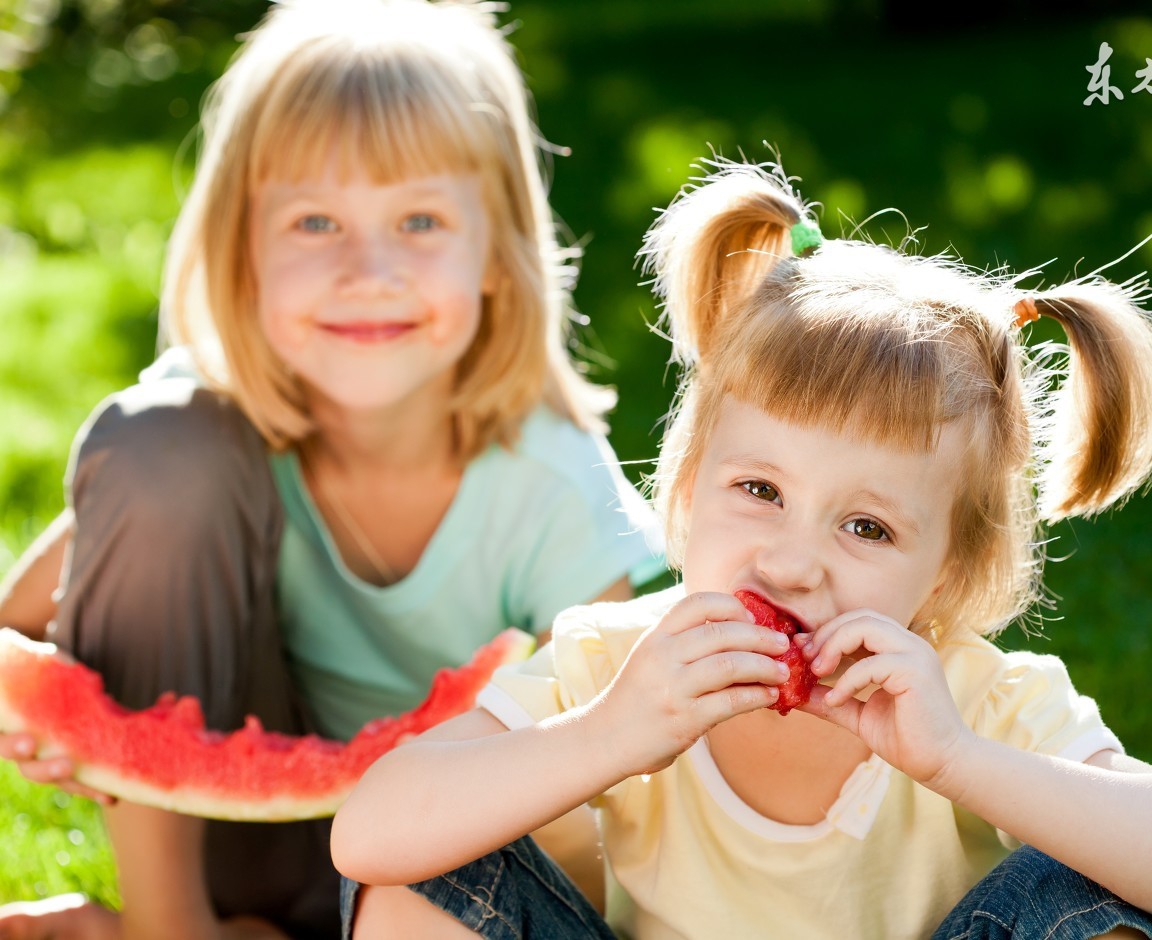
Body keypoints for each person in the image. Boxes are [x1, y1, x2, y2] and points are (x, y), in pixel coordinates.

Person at [330, 158, 1152, 940]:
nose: (791, 561)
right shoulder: (619, 666)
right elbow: (367, 834)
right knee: (424, 875)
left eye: (866, 528)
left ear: (945, 569)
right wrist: (609, 735)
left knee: (1098, 898)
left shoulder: (974, 702)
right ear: (690, 490)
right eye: (760, 491)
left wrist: (956, 760)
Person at [0, 1, 664, 937]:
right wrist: (42, 701)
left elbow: (617, 774)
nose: (370, 268)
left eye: (421, 219)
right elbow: (29, 620)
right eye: (316, 221)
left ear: (495, 255)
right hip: (218, 837)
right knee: (160, 444)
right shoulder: (200, 430)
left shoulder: (550, 488)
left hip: (443, 868)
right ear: (244, 256)